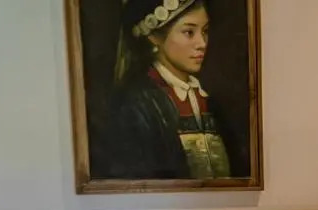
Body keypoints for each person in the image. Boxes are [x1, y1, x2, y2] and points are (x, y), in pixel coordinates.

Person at [99, 0, 236, 180]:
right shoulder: (136, 103)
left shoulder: (208, 101)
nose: (202, 43)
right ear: (154, 37)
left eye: (205, 31)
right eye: (189, 32)